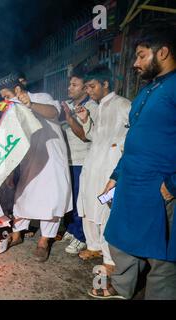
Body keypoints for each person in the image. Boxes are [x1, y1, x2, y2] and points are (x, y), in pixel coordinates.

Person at [90, 24, 176, 300]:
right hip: (130, 182)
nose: (135, 63)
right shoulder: (147, 91)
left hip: (161, 188)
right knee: (119, 239)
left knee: (162, 259)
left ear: (162, 52)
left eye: (141, 55)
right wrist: (116, 176)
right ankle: (123, 289)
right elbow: (134, 140)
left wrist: (173, 184)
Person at [0, 73, 72, 262]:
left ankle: (44, 241)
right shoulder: (11, 109)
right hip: (29, 159)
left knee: (51, 199)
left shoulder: (41, 98)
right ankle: (17, 234)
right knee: (23, 195)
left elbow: (54, 112)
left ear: (17, 90)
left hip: (51, 158)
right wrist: (9, 171)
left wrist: (30, 104)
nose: (4, 100)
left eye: (6, 95)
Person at [76, 66, 131, 275]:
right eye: (88, 87)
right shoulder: (98, 107)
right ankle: (95, 246)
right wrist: (85, 121)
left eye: (92, 86)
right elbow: (93, 137)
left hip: (110, 170)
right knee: (89, 205)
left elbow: (135, 132)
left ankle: (110, 258)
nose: (89, 91)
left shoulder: (123, 104)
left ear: (105, 84)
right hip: (93, 166)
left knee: (106, 207)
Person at [60, 71, 98, 254]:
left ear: (85, 88)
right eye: (70, 84)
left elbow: (85, 136)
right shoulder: (66, 105)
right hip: (65, 159)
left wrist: (70, 118)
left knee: (80, 199)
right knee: (69, 198)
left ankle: (81, 236)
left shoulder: (91, 107)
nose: (70, 88)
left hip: (82, 160)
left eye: (74, 85)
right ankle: (71, 228)